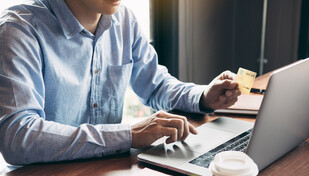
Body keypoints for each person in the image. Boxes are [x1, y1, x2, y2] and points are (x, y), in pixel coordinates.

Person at [0, 0, 240, 165]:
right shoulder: (20, 29)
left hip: (105, 175)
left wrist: (202, 96)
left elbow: (155, 84)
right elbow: (18, 136)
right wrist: (128, 134)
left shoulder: (123, 19)